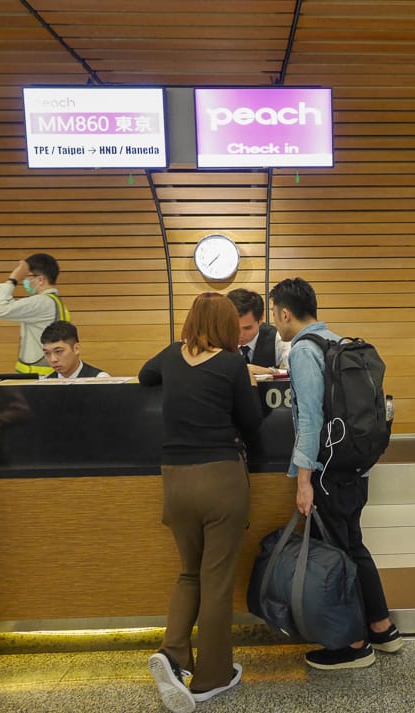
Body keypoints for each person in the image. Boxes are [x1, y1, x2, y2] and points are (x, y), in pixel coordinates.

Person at [139, 293, 263, 713]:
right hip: (220, 480)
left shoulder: (172, 355)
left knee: (189, 573)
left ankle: (173, 653)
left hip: (175, 481)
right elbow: (252, 423)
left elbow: (143, 376)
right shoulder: (232, 365)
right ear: (228, 325)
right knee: (216, 580)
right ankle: (212, 677)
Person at [269, 277, 401, 670]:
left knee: (338, 553)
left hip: (327, 470)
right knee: (353, 544)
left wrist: (304, 481)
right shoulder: (339, 343)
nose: (276, 321)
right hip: (354, 466)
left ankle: (354, 644)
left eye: (275, 313)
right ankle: (382, 628)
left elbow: (309, 419)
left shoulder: (304, 351)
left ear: (285, 313)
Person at [0, 254, 69, 376]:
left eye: (27, 277)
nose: (25, 281)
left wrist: (13, 278)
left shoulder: (41, 302)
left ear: (40, 280)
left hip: (37, 377)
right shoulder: (56, 303)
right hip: (48, 375)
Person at [227, 288, 289, 375]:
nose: (240, 334)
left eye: (247, 328)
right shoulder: (219, 339)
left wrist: (271, 372)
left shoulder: (277, 337)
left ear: (260, 319)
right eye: (234, 328)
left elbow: (292, 372)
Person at [40, 321, 110, 379]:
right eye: (47, 353)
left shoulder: (100, 380)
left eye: (58, 351)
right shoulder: (44, 382)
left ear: (76, 348)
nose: (53, 359)